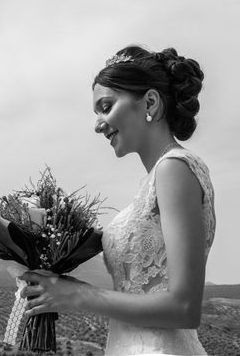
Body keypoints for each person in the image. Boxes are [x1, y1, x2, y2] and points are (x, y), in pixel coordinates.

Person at [20, 45, 216, 355]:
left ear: (150, 101)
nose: (98, 124)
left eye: (106, 106)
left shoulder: (174, 169)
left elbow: (184, 307)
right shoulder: (157, 180)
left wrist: (77, 295)